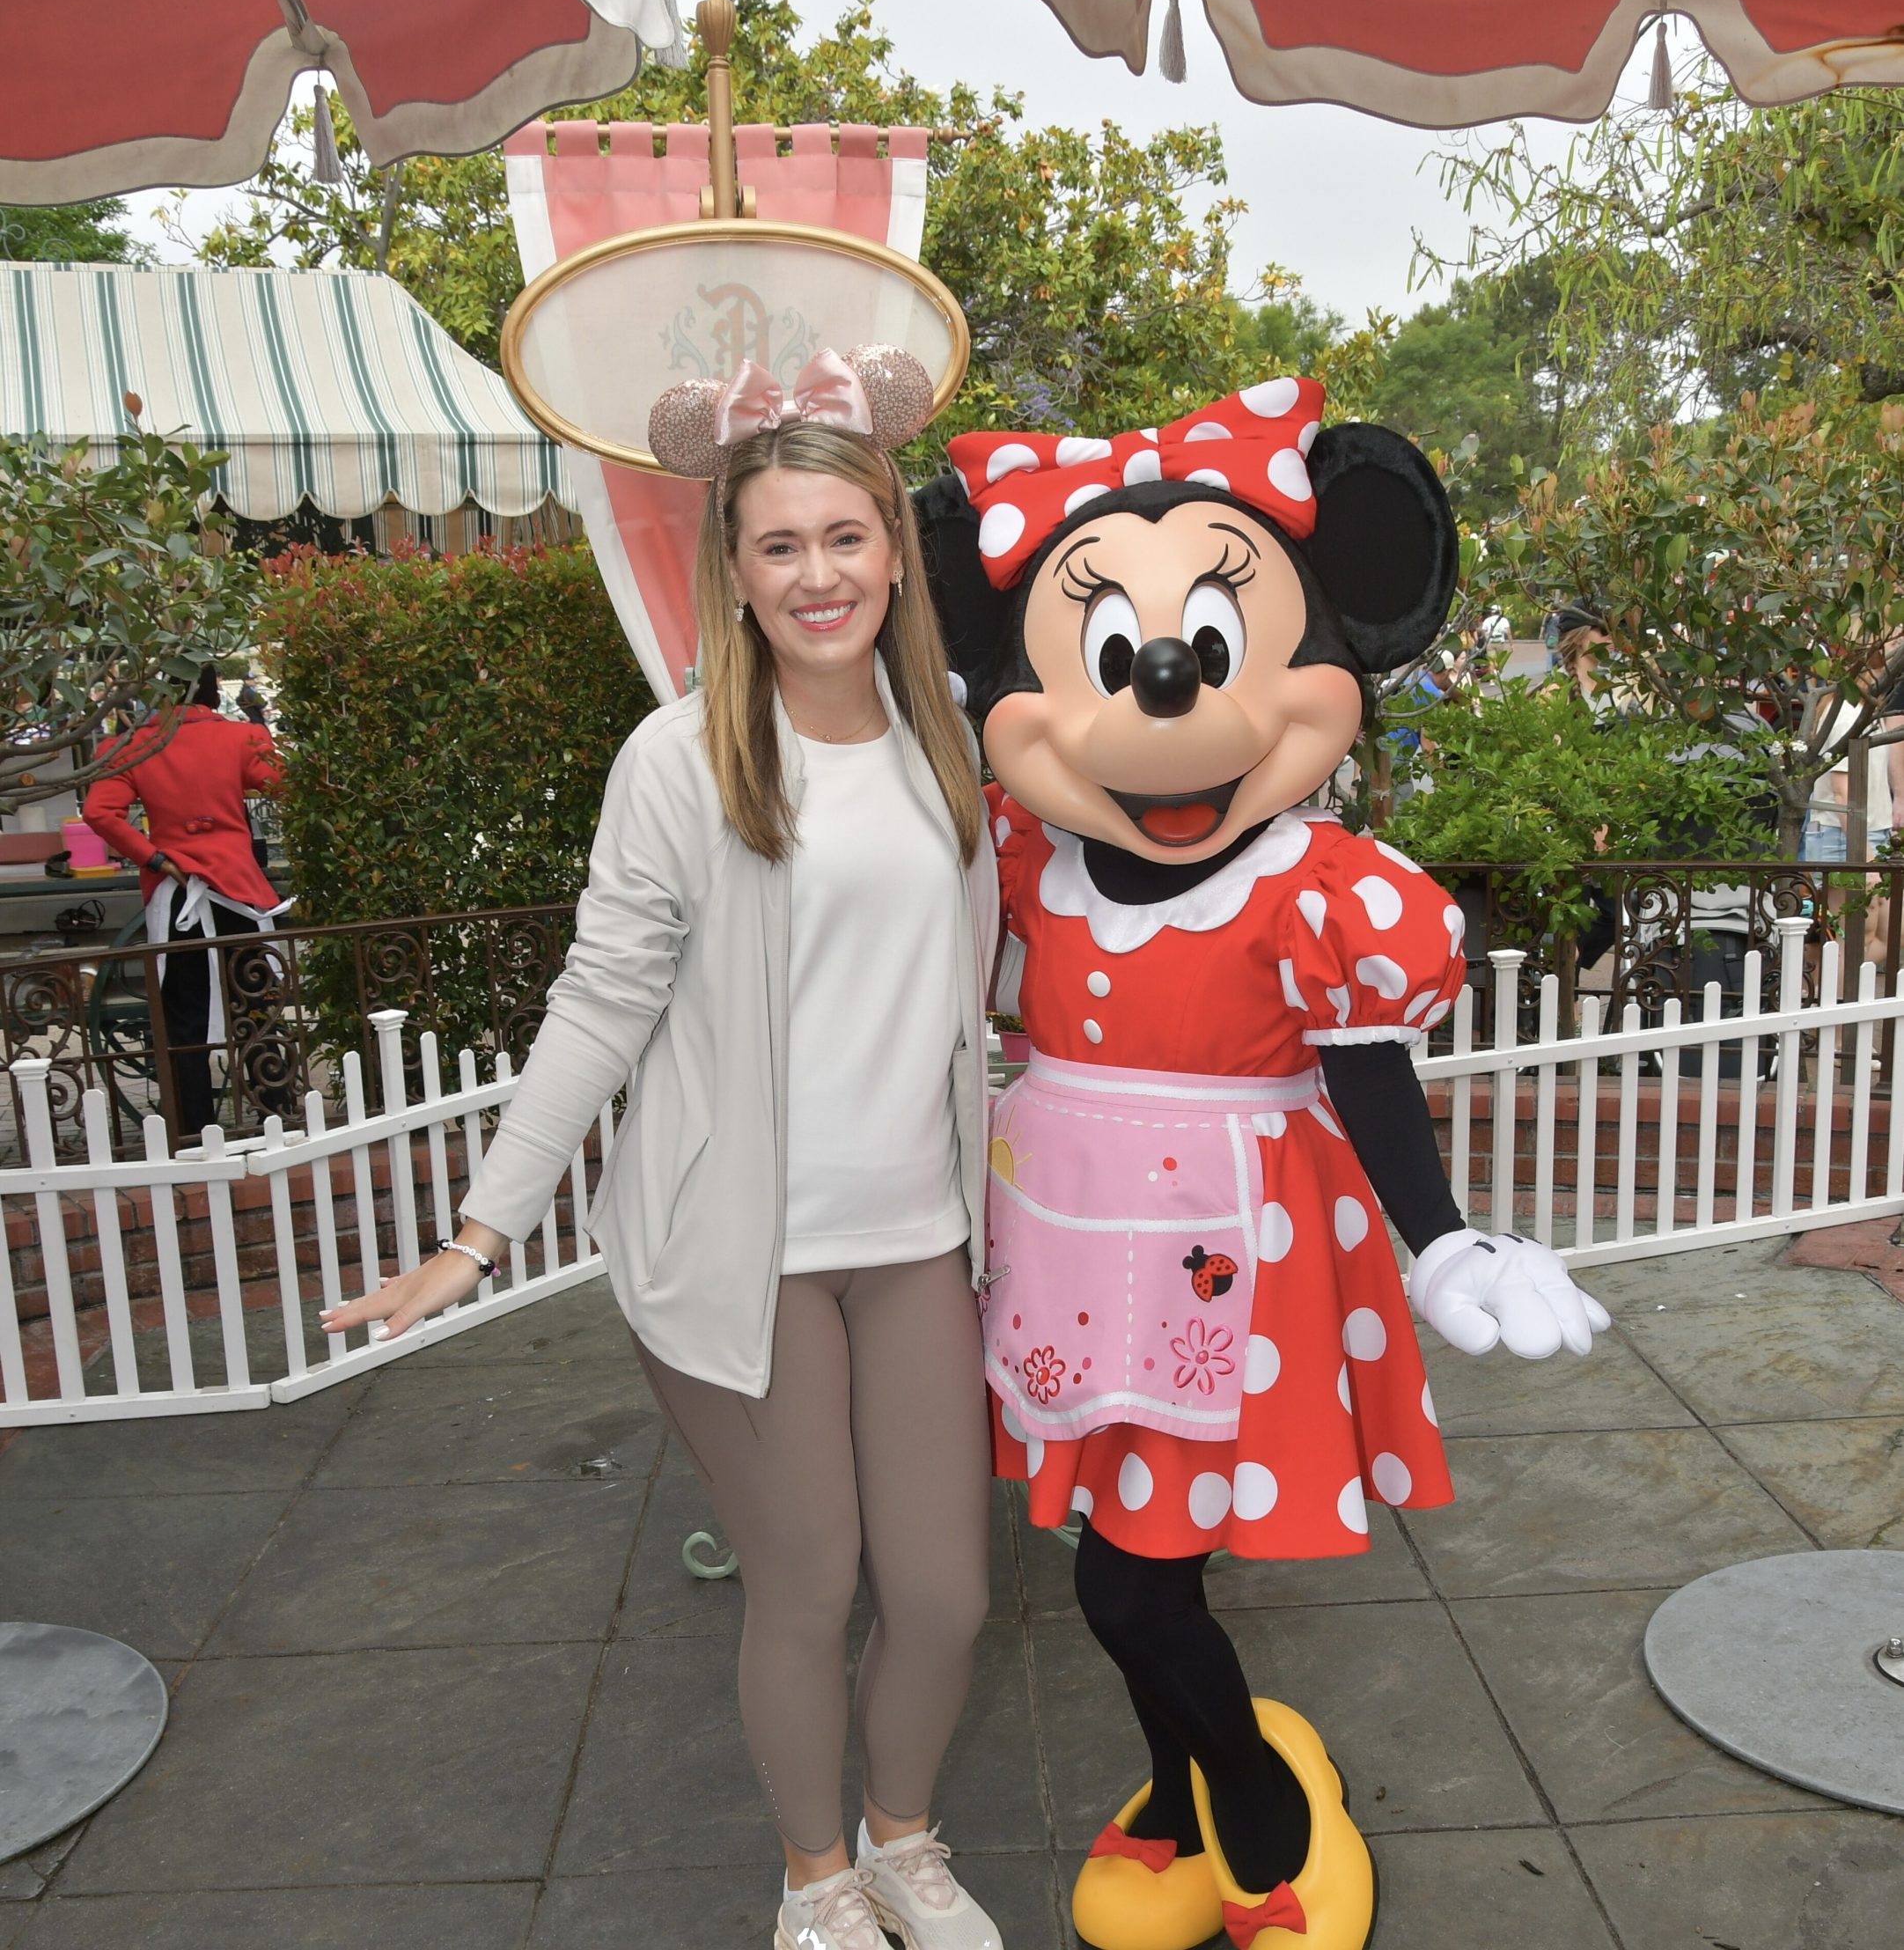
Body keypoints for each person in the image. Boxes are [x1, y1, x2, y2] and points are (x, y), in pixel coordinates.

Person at [320, 348, 1004, 1950]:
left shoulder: (948, 737)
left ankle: (902, 1839)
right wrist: (479, 1234)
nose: (817, 574)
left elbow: (983, 966)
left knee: (947, 1594)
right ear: (736, 572)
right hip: (734, 1249)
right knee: (810, 1581)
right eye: (780, 545)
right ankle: (814, 1882)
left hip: (915, 1237)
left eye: (844, 537)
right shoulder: (683, 758)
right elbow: (599, 1002)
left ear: (893, 552)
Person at [917, 379, 1610, 1950]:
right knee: (1124, 1559)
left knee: (1127, 1585)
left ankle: (1263, 1807)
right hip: (1071, 1261)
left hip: (1234, 1270)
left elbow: (1364, 1067)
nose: (1162, 693)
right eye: (1107, 657)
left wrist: (1443, 1239)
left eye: (1209, 648)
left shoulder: (1317, 885)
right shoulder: (1025, 861)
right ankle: (1180, 1796)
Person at [84, 662, 288, 1140]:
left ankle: (194, 1132)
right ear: (213, 691)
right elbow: (284, 785)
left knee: (184, 1017)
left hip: (177, 893)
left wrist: (153, 857)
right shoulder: (241, 737)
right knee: (254, 1006)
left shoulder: (133, 745)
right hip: (238, 889)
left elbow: (98, 812)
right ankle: (277, 1114)